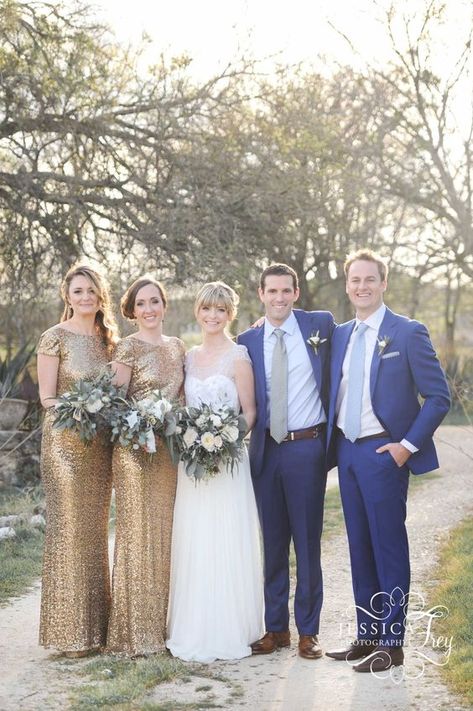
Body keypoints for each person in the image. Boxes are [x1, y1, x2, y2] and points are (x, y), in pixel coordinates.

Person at [325, 249, 450, 672]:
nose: (362, 287)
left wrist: (405, 446)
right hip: (347, 451)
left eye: (370, 279)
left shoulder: (407, 332)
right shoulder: (340, 334)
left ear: (383, 284)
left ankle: (392, 644)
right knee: (359, 546)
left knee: (388, 547)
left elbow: (438, 397)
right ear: (347, 285)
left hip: (385, 453)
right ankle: (367, 636)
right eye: (355, 280)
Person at [238, 264, 334, 659]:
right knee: (273, 542)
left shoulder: (321, 326)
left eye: (285, 291)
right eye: (271, 291)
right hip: (265, 450)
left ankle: (308, 631)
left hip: (306, 447)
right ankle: (275, 628)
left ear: (296, 293)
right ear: (260, 293)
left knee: (307, 542)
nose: (279, 298)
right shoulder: (246, 339)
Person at [166, 282, 264, 663]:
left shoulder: (238, 355)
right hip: (192, 467)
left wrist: (225, 441)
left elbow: (250, 412)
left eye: (220, 311)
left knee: (225, 537)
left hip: (227, 462)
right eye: (207, 309)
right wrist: (194, 440)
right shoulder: (188, 356)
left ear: (230, 314)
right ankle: (193, 625)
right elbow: (182, 407)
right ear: (197, 311)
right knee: (196, 539)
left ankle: (231, 627)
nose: (212, 316)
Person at [37, 264, 118, 657]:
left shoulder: (109, 341)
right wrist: (81, 407)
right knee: (69, 529)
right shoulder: (54, 338)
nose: (85, 297)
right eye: (78, 291)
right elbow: (47, 398)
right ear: (67, 296)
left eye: (91, 291)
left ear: (100, 296)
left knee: (93, 532)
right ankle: (67, 632)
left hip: (100, 448)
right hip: (65, 445)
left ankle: (95, 629)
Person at [106, 277, 185, 656]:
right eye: (142, 303)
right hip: (135, 453)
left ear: (164, 306)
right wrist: (137, 427)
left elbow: (183, 397)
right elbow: (113, 403)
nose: (149, 308)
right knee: (138, 537)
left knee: (166, 537)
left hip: (168, 455)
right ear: (132, 311)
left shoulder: (177, 346)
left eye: (155, 301)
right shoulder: (127, 347)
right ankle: (135, 633)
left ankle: (163, 627)